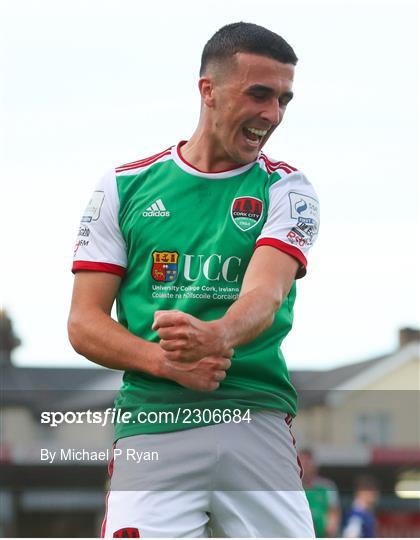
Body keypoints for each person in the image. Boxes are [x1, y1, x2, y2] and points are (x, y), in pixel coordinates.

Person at [69, 21, 320, 538]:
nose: (272, 115)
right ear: (208, 91)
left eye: (283, 100)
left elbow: (266, 293)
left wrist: (218, 335)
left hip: (255, 417)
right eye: (259, 94)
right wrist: (165, 362)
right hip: (152, 426)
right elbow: (83, 322)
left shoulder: (288, 188)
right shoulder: (123, 187)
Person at [299, 448, 341, 537]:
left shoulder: (327, 486)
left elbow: (334, 510)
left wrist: (331, 527)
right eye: (303, 463)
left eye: (308, 463)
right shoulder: (294, 488)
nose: (305, 467)